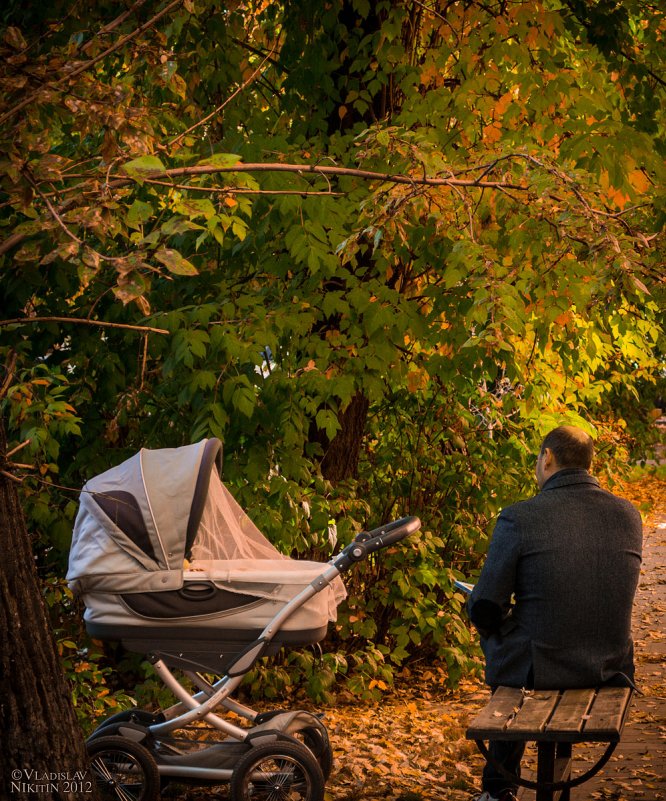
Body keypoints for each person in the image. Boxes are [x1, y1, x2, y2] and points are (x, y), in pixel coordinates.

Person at [467, 425, 642, 801]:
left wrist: (489, 617)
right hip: (609, 667)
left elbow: (485, 606)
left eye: (538, 457)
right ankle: (507, 786)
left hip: (542, 668)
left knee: (500, 632)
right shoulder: (628, 514)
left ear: (547, 457)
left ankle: (499, 789)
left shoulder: (520, 517)